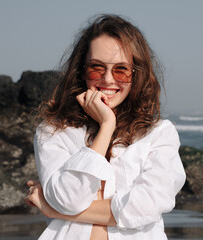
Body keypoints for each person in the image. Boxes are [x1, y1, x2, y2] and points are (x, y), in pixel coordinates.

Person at [24, 14, 186, 240]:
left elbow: (148, 205)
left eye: (121, 69)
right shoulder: (53, 131)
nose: (108, 80)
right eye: (96, 68)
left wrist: (53, 209)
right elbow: (67, 199)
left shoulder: (159, 134)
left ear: (136, 73)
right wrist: (106, 127)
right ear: (81, 70)